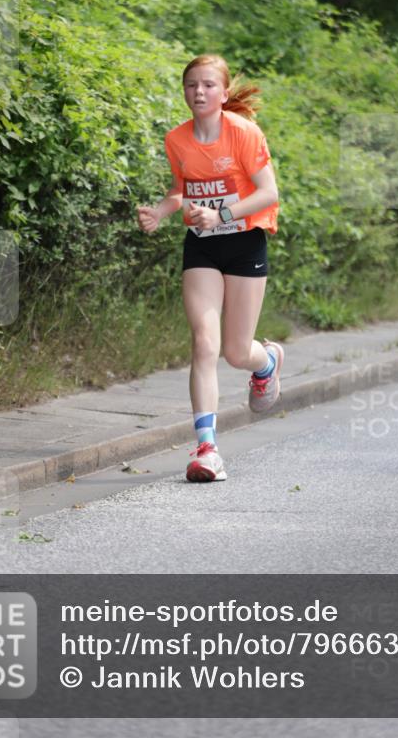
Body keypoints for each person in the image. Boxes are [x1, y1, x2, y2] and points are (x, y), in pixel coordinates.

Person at [136, 53, 284, 483]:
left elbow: (268, 193)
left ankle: (267, 362)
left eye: (207, 85)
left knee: (236, 352)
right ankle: (207, 449)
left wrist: (222, 214)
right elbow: (183, 191)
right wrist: (162, 212)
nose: (198, 92)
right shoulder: (177, 140)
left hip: (244, 243)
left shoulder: (243, 133)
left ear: (222, 93)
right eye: (191, 85)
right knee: (204, 342)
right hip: (201, 246)